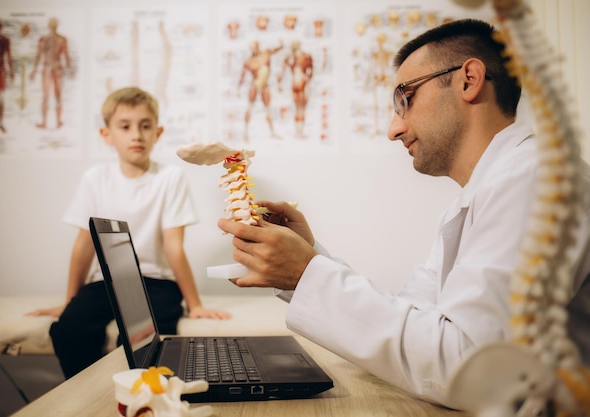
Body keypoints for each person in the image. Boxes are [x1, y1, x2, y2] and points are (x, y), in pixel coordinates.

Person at [217, 19, 590, 405]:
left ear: (469, 80)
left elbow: (472, 369)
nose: (394, 129)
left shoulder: (537, 180)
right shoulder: (484, 193)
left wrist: (305, 271)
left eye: (405, 99)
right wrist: (306, 261)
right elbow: (415, 316)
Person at [28, 87, 231, 378]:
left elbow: (174, 247)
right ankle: (93, 397)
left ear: (158, 132)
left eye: (145, 126)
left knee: (144, 343)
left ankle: (144, 399)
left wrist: (195, 304)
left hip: (156, 283)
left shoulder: (169, 178)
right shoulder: (95, 179)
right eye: (125, 126)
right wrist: (69, 301)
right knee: (69, 330)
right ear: (107, 134)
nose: (136, 134)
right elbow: (84, 246)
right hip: (105, 283)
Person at [29, 17, 72, 129]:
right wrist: (34, 70)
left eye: (54, 25)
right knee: (46, 96)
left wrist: (70, 69)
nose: (53, 27)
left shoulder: (61, 39)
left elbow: (66, 55)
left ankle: (58, 121)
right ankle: (44, 122)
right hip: (47, 69)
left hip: (57, 69)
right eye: (51, 25)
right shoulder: (43, 40)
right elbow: (38, 56)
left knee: (58, 96)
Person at [237, 40, 283, 141]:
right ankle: (245, 133)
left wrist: (281, 45)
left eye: (255, 47)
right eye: (252, 48)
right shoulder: (249, 62)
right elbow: (242, 76)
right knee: (250, 107)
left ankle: (272, 132)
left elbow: (274, 50)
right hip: (255, 85)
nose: (254, 50)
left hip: (264, 86)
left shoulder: (265, 54)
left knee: (268, 109)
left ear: (258, 47)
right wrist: (238, 89)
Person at [277, 40, 313, 139]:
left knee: (299, 109)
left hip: (298, 83)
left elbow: (310, 72)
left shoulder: (302, 57)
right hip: (300, 84)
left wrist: (279, 83)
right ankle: (299, 132)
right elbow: (309, 73)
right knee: (301, 109)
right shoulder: (302, 57)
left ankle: (299, 132)